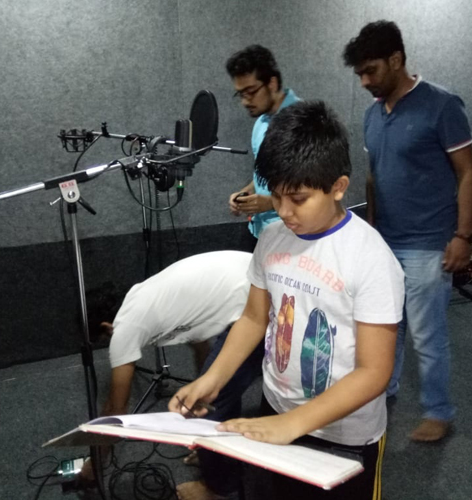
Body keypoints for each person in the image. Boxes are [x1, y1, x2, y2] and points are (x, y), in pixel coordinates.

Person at [169, 101, 405, 500]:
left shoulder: (371, 259)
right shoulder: (273, 238)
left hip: (343, 434)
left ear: (338, 187)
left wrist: (294, 423)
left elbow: (374, 372)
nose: (283, 211)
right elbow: (253, 319)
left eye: (298, 198)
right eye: (276, 197)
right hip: (276, 408)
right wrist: (213, 379)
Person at [343, 20, 472, 442]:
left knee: (427, 334)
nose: (364, 81)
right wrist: (370, 234)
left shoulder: (441, 105)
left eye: (371, 71)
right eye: (359, 73)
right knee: (386, 326)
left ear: (396, 59)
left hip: (429, 243)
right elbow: (373, 177)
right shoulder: (372, 114)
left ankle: (439, 412)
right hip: (385, 242)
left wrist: (463, 237)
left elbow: (468, 172)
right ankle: (384, 389)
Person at [78, 250, 260, 484]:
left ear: (106, 326)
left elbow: (116, 408)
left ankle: (219, 487)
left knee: (214, 401)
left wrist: (95, 464)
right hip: (251, 276)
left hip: (258, 294)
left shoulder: (126, 325)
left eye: (105, 339)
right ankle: (217, 451)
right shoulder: (147, 297)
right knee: (215, 394)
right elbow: (200, 344)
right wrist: (203, 383)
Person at [226, 44, 300, 240]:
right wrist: (245, 194)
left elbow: (317, 191)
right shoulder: (261, 122)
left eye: (251, 92)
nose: (245, 101)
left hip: (293, 234)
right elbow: (264, 175)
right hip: (262, 231)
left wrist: (269, 203)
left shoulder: (303, 122)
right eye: (241, 94)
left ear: (272, 84)